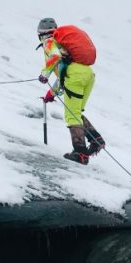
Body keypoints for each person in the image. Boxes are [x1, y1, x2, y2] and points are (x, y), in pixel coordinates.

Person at [36, 18, 105, 165]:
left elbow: (55, 58)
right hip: (87, 74)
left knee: (71, 115)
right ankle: (96, 141)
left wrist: (44, 74)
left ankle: (80, 153)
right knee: (76, 112)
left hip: (74, 77)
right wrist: (51, 95)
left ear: (40, 34)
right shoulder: (63, 45)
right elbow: (63, 74)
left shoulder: (49, 42)